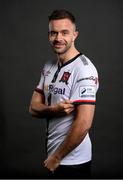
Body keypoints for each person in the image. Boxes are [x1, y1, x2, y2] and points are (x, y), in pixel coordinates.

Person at [29, 9, 99, 179]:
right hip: (53, 154)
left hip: (73, 160)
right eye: (53, 33)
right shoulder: (49, 65)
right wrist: (54, 110)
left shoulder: (84, 69)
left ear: (75, 35)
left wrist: (57, 157)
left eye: (64, 33)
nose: (58, 38)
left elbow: (84, 123)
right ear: (48, 36)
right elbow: (32, 108)